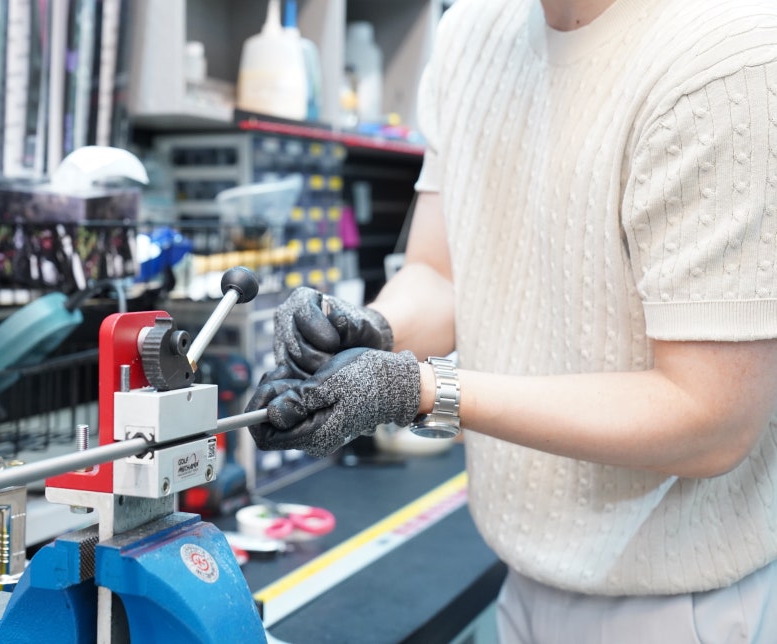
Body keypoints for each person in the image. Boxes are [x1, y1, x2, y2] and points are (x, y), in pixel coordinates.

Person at [244, 0, 777, 641]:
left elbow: (709, 419)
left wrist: (410, 389)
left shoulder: (725, 54)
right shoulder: (471, 31)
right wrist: (366, 329)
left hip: (681, 606)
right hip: (524, 582)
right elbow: (443, 274)